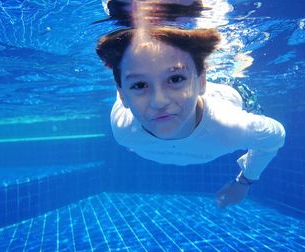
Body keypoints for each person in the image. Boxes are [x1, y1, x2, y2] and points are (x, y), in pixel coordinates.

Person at [96, 27, 286, 208]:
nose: (158, 102)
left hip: (229, 94)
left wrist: (243, 182)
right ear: (123, 96)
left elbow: (276, 137)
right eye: (139, 85)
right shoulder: (122, 128)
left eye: (175, 79)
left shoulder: (230, 126)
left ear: (202, 82)